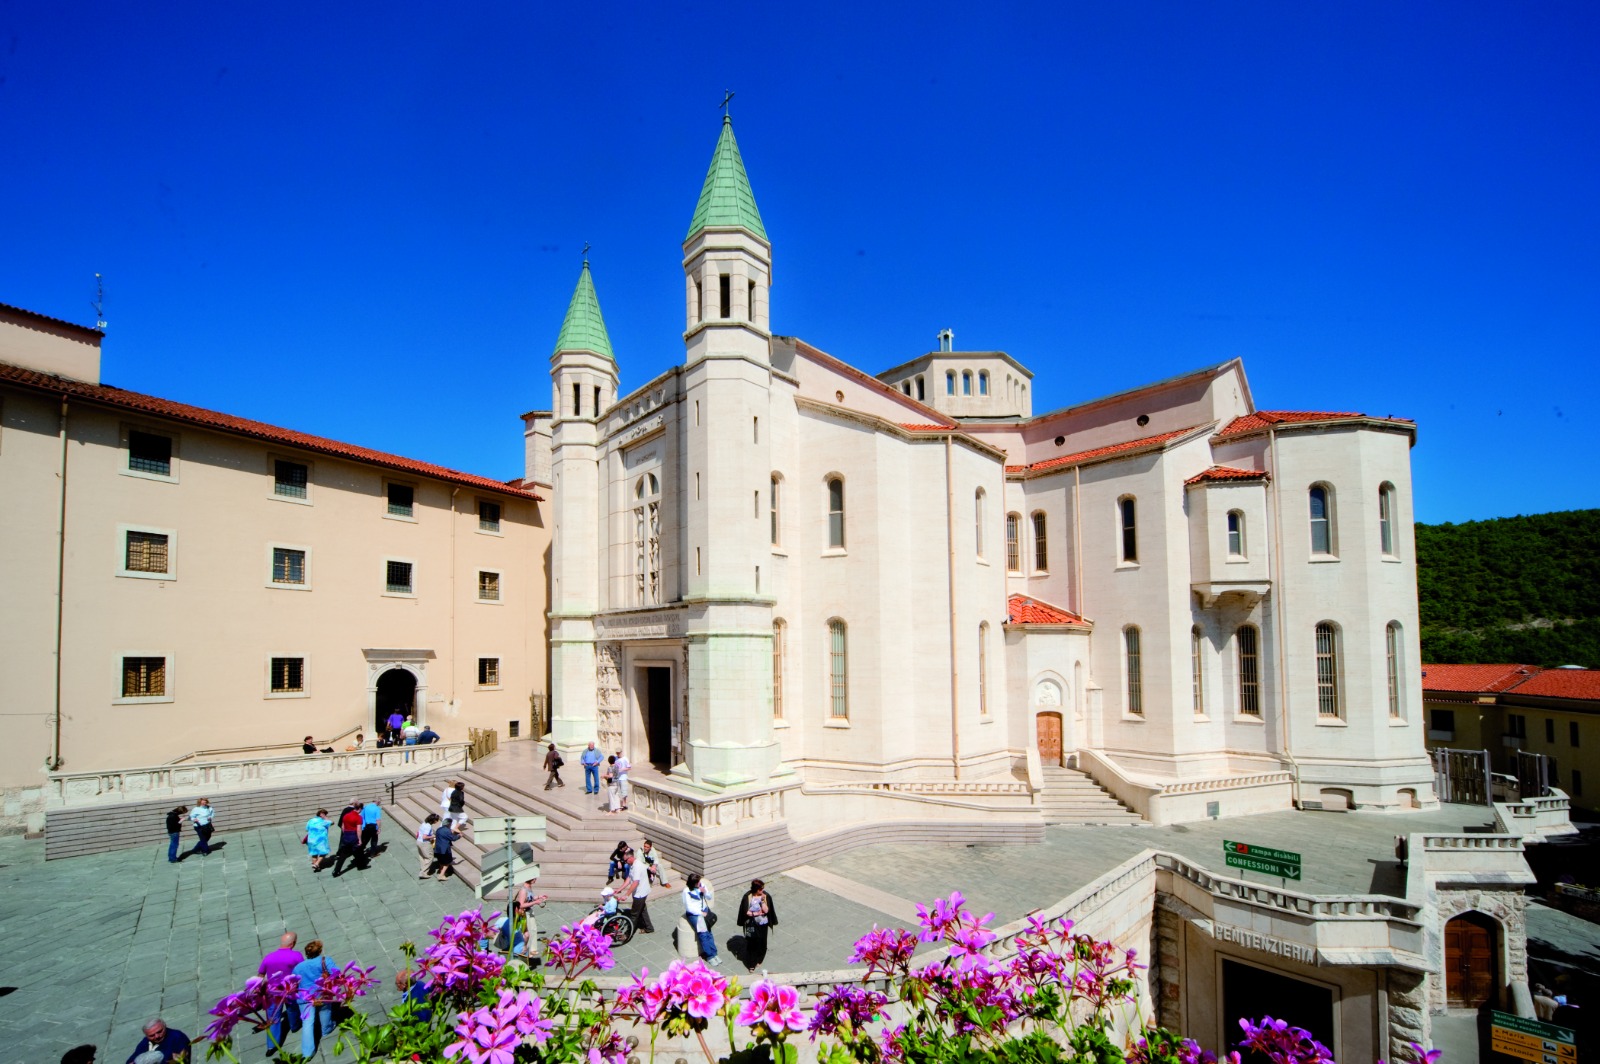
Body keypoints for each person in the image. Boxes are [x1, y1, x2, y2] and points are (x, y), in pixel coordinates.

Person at [291, 940, 340, 1060]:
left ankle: (307, 1053)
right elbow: (337, 973)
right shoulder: (325, 960)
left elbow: (294, 982)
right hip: (322, 993)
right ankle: (326, 1029)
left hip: (305, 997)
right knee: (325, 1010)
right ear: (320, 951)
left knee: (307, 1022)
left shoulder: (298, 967)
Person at [257, 932, 303, 1053]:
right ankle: (295, 1026)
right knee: (292, 1009)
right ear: (292, 943)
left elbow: (260, 975)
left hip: (273, 992)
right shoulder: (296, 956)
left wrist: (260, 991)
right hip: (290, 990)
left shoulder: (268, 957)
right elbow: (301, 971)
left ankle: (271, 1046)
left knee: (273, 1017)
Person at [736, 879, 778, 972]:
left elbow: (766, 910)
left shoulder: (765, 896)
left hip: (762, 924)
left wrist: (762, 901)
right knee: (752, 944)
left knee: (762, 943)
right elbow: (746, 912)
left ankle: (759, 959)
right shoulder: (748, 897)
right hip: (752, 924)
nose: (763, 890)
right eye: (761, 889)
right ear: (756, 889)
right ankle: (751, 964)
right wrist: (757, 913)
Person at [683, 873, 719, 965]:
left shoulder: (701, 885)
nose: (700, 883)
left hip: (705, 910)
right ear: (693, 883)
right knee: (703, 934)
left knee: (709, 932)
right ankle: (709, 956)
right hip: (696, 915)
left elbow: (709, 897)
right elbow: (689, 908)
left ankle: (714, 953)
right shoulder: (686, 891)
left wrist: (705, 892)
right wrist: (701, 913)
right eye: (698, 882)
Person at [124, 1018, 189, 1063]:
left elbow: (180, 1059)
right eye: (152, 1035)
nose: (157, 1036)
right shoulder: (146, 1041)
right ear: (146, 1035)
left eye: (159, 1031)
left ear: (165, 1026)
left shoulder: (177, 1037)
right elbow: (134, 1056)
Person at [623, 848, 655, 933]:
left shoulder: (637, 866)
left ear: (630, 858)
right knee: (642, 910)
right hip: (642, 892)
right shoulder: (633, 864)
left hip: (640, 894)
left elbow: (635, 882)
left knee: (634, 915)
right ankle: (649, 928)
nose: (625, 862)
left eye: (626, 860)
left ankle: (627, 934)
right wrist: (620, 889)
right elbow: (629, 878)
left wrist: (626, 895)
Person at [330, 801, 366, 876]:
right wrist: (359, 839)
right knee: (358, 852)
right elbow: (359, 830)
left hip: (346, 836)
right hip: (354, 836)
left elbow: (343, 827)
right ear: (359, 809)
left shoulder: (346, 815)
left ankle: (336, 871)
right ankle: (361, 866)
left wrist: (346, 834)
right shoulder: (358, 817)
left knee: (343, 855)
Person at [513, 875, 549, 946]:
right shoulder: (523, 890)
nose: (535, 879)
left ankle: (530, 948)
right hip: (523, 914)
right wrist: (535, 902)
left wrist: (539, 897)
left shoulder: (528, 887)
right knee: (526, 933)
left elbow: (530, 898)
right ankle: (523, 947)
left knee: (532, 930)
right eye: (534, 878)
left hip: (528, 912)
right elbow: (521, 905)